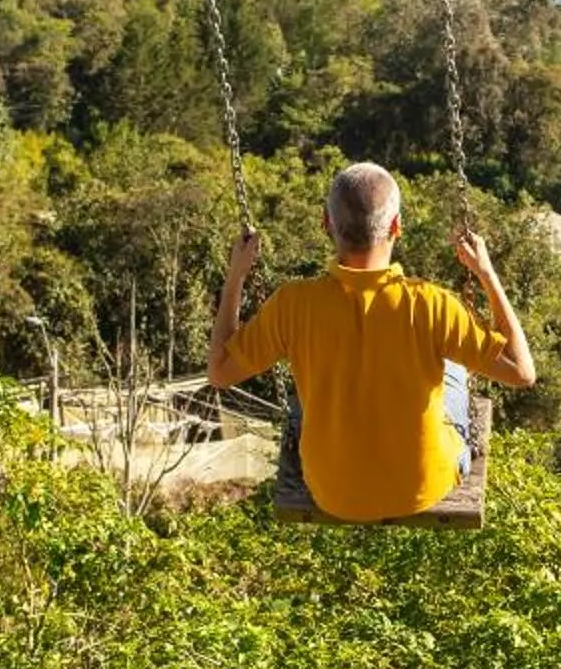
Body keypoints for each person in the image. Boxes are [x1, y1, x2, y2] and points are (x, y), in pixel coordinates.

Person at [207, 160, 536, 522]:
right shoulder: (432, 304)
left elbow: (220, 373)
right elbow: (522, 372)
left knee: (307, 393)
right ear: (396, 226)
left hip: (332, 493)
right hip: (424, 486)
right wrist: (486, 274)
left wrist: (236, 276)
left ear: (326, 224)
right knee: (455, 368)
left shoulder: (293, 305)